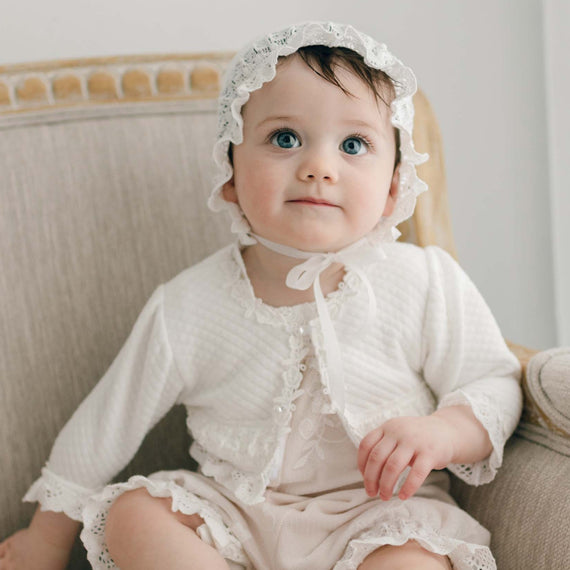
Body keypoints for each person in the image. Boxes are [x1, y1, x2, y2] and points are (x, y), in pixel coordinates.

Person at [0, 21, 522, 570]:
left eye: (353, 145)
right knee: (134, 513)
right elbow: (104, 426)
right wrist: (46, 539)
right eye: (285, 138)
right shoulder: (190, 303)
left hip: (379, 518)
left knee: (416, 560)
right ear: (229, 173)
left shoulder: (423, 281)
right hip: (234, 518)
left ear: (394, 185)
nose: (319, 167)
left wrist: (444, 433)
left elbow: (494, 381)